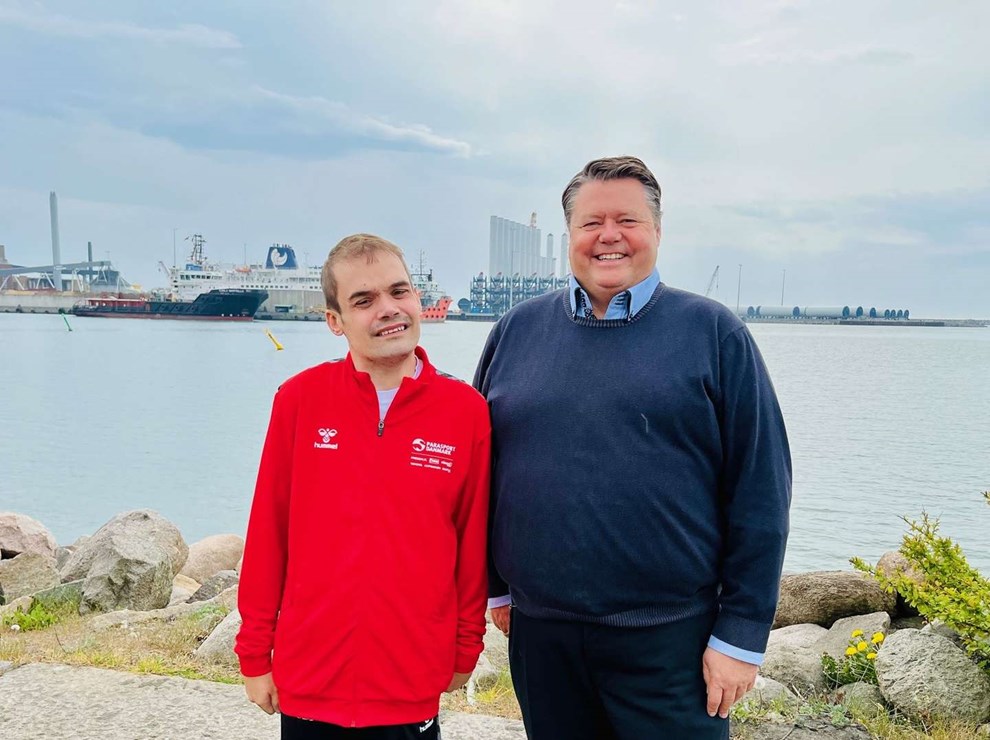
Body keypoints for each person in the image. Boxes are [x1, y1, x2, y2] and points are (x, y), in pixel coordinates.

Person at [474, 156, 792, 739]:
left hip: (672, 640)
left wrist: (741, 636)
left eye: (628, 219)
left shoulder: (714, 333)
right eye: (591, 222)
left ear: (658, 232)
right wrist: (494, 585)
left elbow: (761, 490)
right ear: (569, 236)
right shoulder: (516, 330)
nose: (609, 236)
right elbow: (483, 471)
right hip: (542, 638)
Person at [236, 233, 491, 739]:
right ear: (335, 321)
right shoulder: (299, 401)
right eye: (364, 300)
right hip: (309, 677)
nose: (389, 310)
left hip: (409, 680)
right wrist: (254, 650)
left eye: (399, 292)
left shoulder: (465, 413)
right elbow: (269, 531)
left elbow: (472, 542)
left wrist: (466, 646)